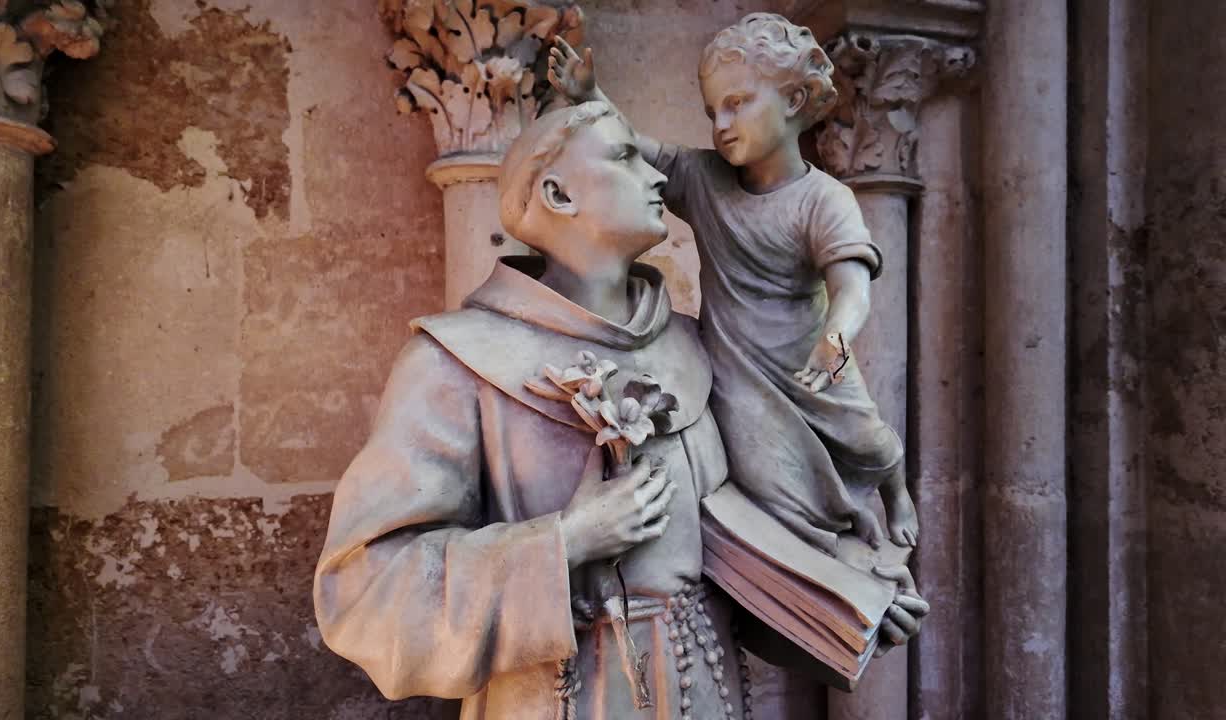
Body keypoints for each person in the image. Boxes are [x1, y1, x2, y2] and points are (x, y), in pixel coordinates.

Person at [314, 102, 747, 719]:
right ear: (557, 193)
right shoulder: (454, 361)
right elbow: (366, 589)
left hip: (703, 693)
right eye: (626, 156)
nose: (657, 177)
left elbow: (743, 519)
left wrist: (837, 591)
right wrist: (563, 542)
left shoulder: (691, 346)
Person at [549, 14, 919, 555]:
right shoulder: (702, 179)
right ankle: (814, 555)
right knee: (767, 478)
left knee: (868, 440)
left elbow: (853, 287)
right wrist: (591, 93)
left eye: (738, 103)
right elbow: (631, 148)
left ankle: (896, 492)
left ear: (794, 101)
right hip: (736, 370)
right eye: (711, 110)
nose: (720, 123)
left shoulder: (824, 200)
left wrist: (836, 337)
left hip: (808, 358)